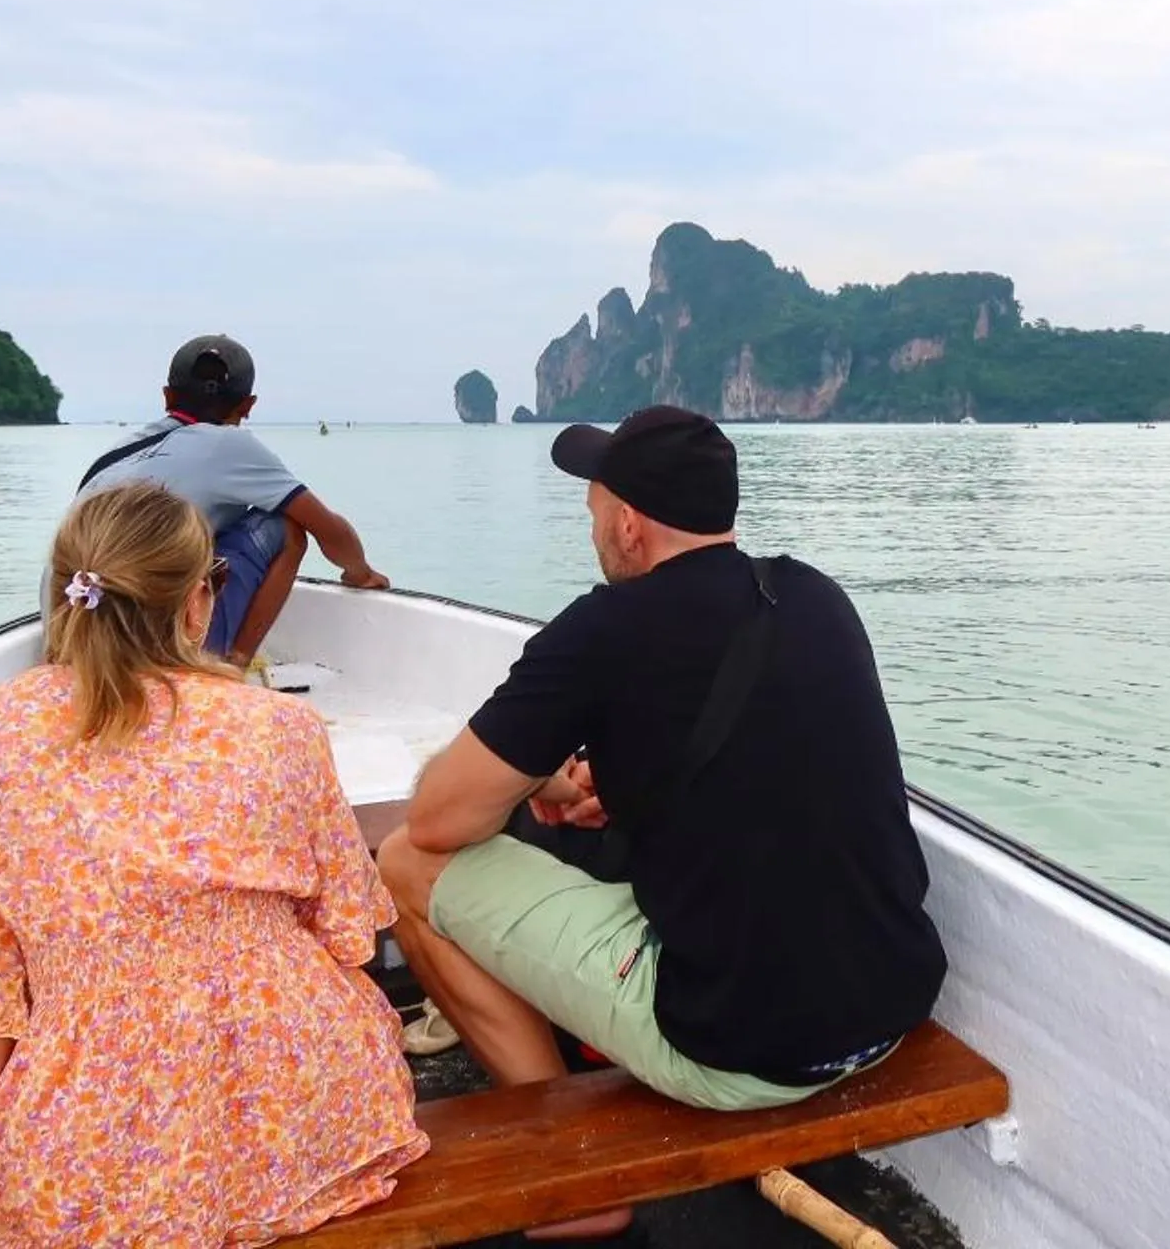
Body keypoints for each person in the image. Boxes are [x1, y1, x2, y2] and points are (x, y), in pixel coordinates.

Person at [375, 407, 945, 1234]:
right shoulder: (816, 596)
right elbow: (765, 747)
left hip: (738, 1051)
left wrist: (534, 775)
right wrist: (598, 779)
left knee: (403, 866)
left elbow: (436, 820)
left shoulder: (605, 628)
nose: (593, 528)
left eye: (595, 511)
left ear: (630, 526)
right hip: (885, 1011)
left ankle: (582, 1178)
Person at [0, 482, 425, 1249]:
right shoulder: (281, 727)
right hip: (310, 1113)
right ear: (198, 602)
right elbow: (346, 932)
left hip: (97, 1150)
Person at [78, 334, 389, 665]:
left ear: (167, 397)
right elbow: (329, 530)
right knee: (284, 525)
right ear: (248, 406)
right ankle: (232, 665)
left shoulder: (115, 454)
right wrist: (360, 573)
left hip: (76, 628)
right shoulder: (229, 446)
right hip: (152, 647)